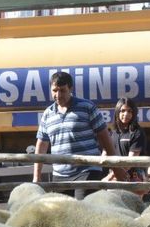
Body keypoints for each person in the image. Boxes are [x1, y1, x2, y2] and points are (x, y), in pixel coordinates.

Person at [32, 71, 127, 199]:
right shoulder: (47, 114)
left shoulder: (87, 107)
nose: (58, 95)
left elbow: (104, 138)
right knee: (62, 214)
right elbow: (42, 145)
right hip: (60, 175)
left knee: (83, 209)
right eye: (54, 90)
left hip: (87, 170)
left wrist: (116, 167)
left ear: (71, 89)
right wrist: (36, 177)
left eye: (62, 90)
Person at [104, 97, 146, 182]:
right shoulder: (112, 133)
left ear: (134, 113)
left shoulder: (137, 132)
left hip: (133, 179)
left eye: (130, 111)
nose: (126, 114)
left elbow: (130, 161)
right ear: (117, 112)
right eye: (122, 111)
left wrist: (111, 176)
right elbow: (104, 156)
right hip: (113, 177)